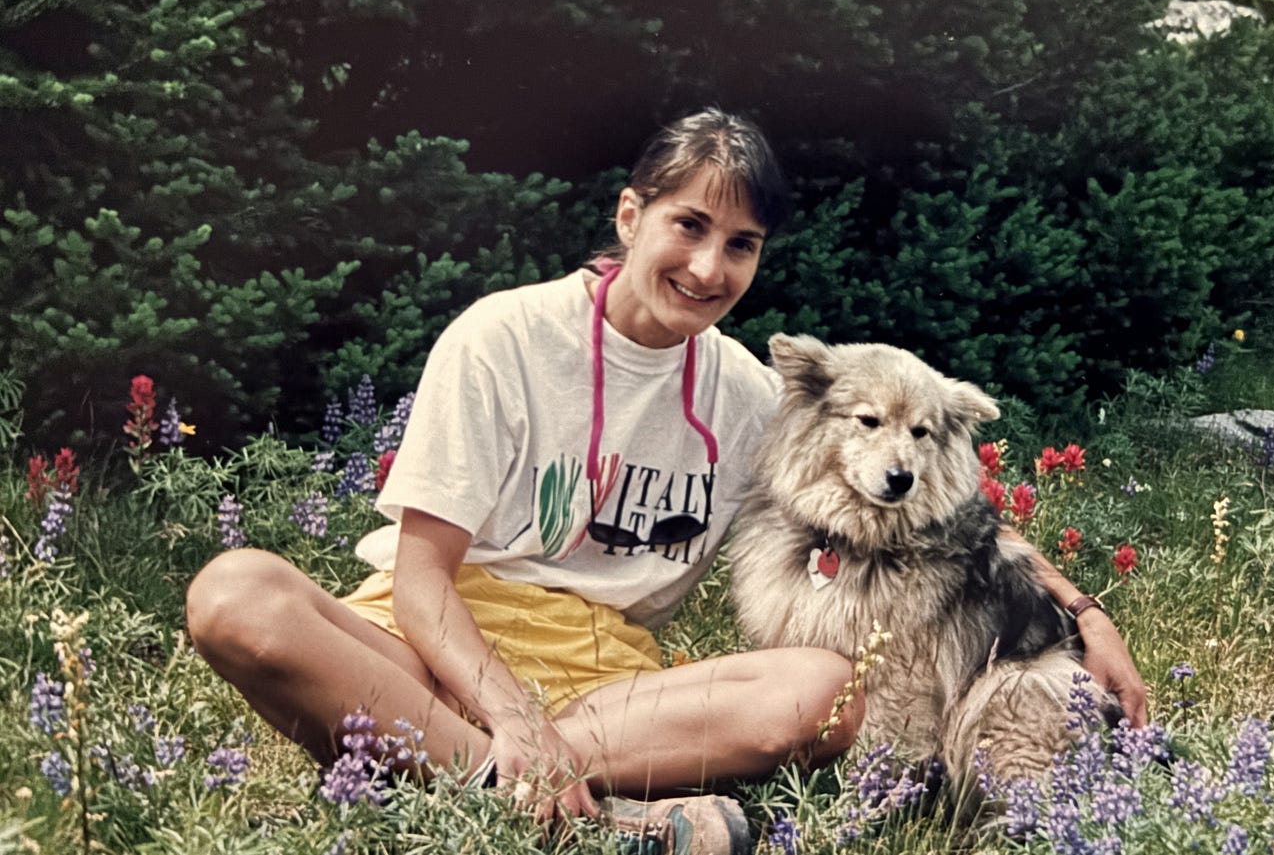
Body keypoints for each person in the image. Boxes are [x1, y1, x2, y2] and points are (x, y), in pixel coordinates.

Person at [186, 107, 1147, 853]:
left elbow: (939, 522)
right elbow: (421, 578)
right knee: (236, 594)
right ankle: (569, 813)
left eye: (741, 244)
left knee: (826, 688)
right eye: (689, 224)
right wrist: (511, 716)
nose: (707, 266)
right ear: (629, 214)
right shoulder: (503, 338)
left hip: (602, 687)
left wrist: (1085, 613)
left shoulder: (749, 396)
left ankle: (455, 780)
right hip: (427, 649)